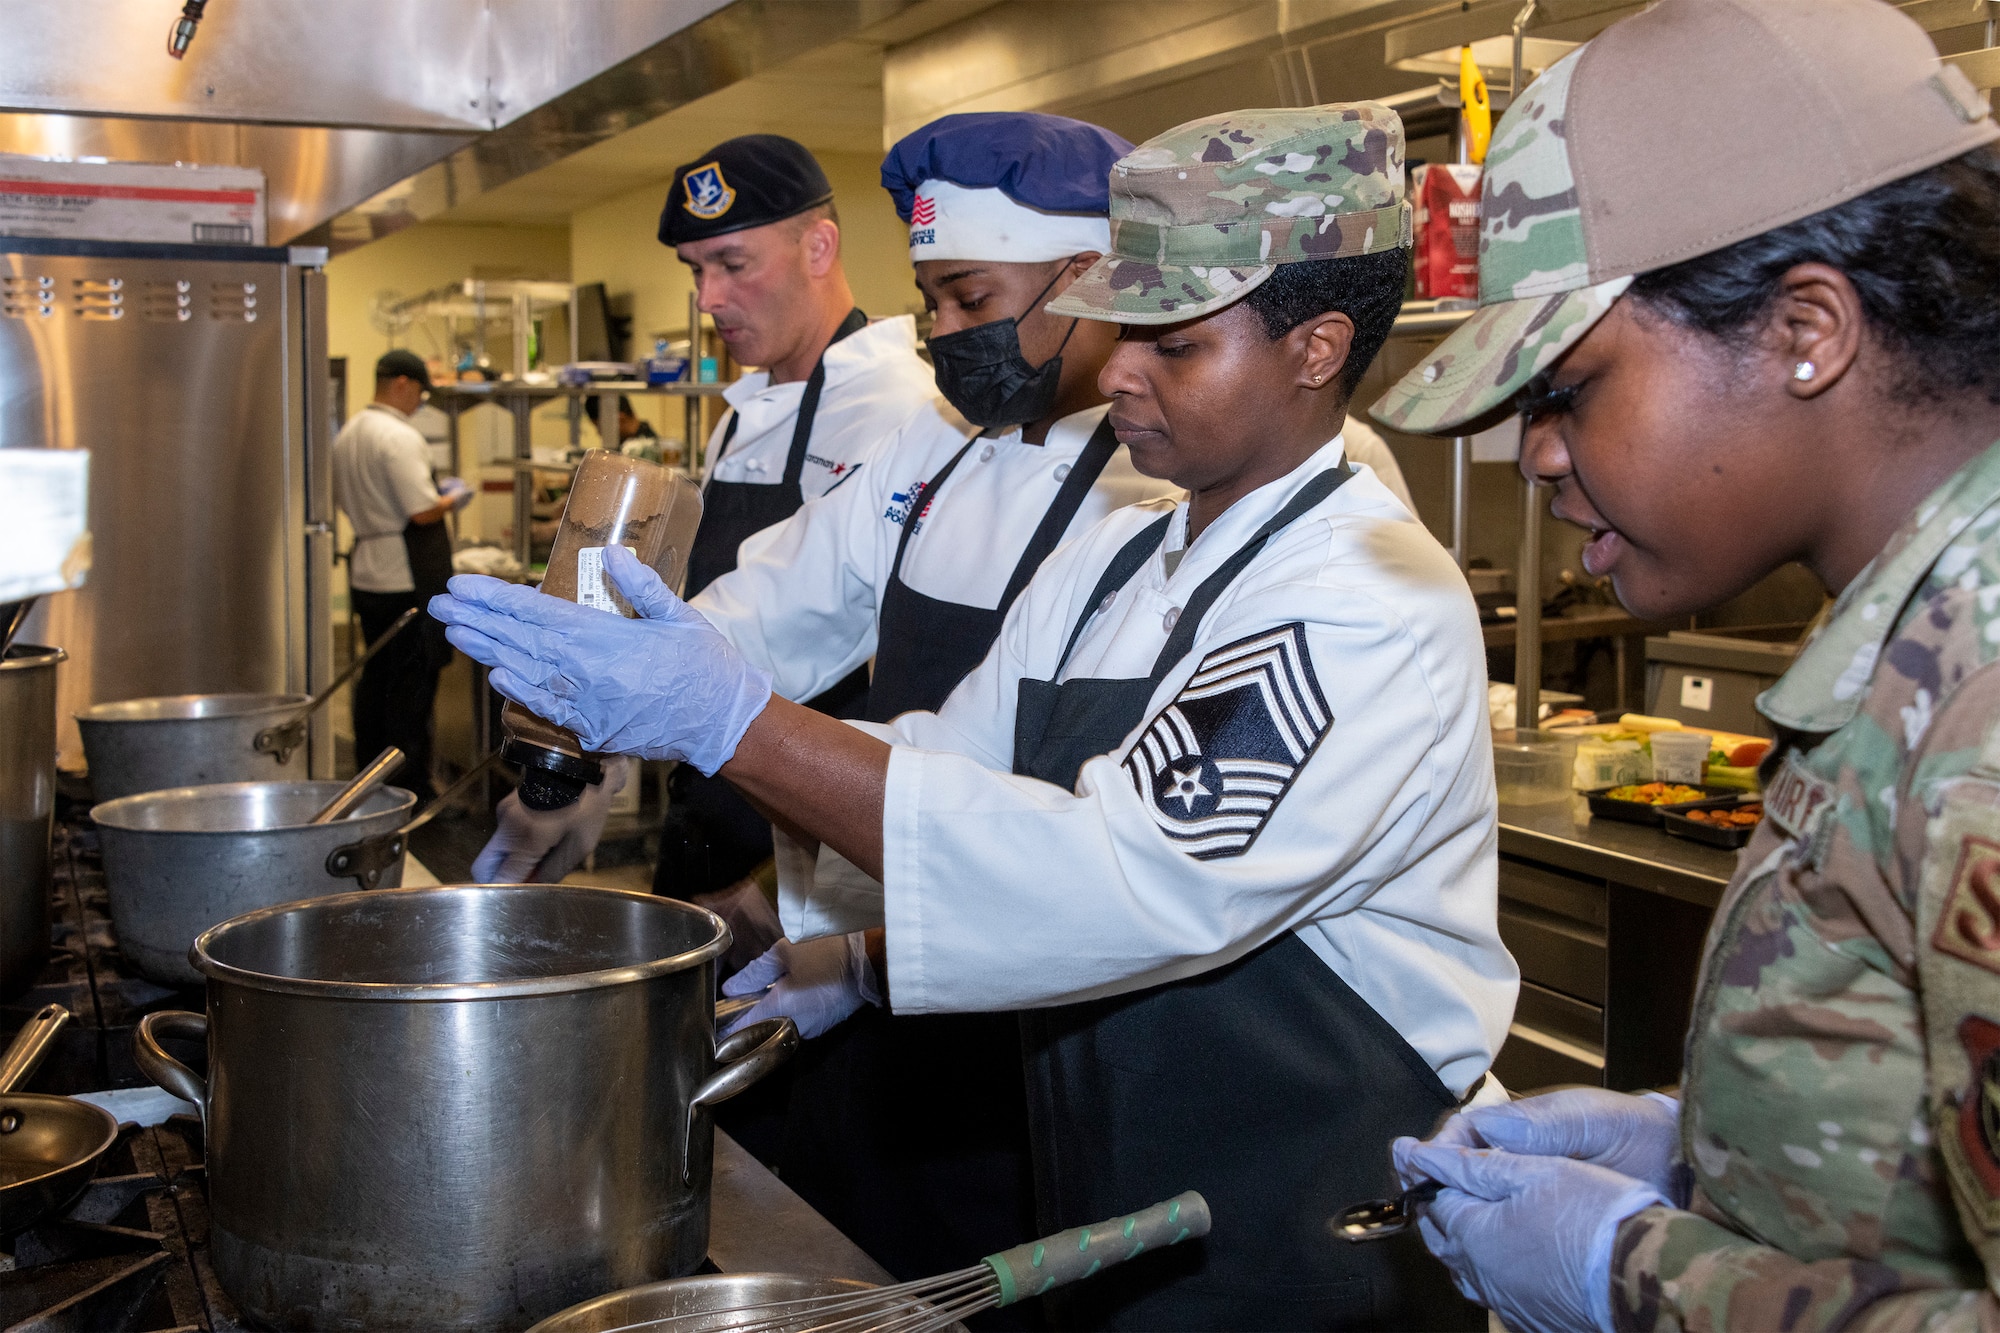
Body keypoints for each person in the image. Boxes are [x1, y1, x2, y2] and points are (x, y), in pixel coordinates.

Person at [436, 102, 1515, 1329]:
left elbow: (1115, 875)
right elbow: (946, 757)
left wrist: (732, 722)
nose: (1115, 369)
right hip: (1121, 1161)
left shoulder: (1358, 596)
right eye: (1124, 328)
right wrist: (814, 926)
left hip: (1301, 1209)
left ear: (1316, 349)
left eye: (1172, 343)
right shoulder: (1131, 548)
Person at [1369, 2, 2000, 1330]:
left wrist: (1643, 1277)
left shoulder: (1984, 702)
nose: (1538, 455)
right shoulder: (1919, 636)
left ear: (1804, 330)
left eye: (1569, 387)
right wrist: (1721, 1145)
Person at [477, 110, 1179, 1287]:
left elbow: (1043, 800)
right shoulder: (939, 439)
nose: (945, 337)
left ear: (1094, 276)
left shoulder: (1160, 480)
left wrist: (839, 936)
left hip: (1034, 992)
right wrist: (596, 711)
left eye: (968, 298)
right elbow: (784, 601)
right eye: (931, 304)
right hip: (883, 897)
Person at [655, 133, 939, 901]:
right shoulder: (743, 415)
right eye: (696, 271)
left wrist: (783, 890)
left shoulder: (898, 408)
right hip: (706, 801)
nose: (708, 299)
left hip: (805, 850)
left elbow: (895, 675)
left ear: (820, 247)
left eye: (732, 264)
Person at [331, 348, 471, 798]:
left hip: (367, 571)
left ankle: (368, 779)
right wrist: (453, 497)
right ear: (402, 384)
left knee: (375, 683)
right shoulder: (398, 436)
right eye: (421, 393)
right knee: (410, 688)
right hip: (404, 575)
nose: (420, 403)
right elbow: (423, 512)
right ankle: (409, 790)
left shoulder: (349, 432)